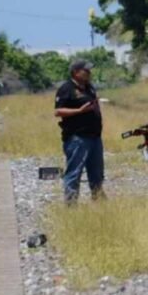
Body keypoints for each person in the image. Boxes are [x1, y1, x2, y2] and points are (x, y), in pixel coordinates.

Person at [54, 60, 105, 204]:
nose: (89, 73)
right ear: (76, 72)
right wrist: (79, 111)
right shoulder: (66, 88)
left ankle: (99, 202)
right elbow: (58, 111)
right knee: (74, 173)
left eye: (89, 70)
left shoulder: (89, 87)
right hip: (77, 138)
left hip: (95, 137)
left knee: (97, 173)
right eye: (86, 70)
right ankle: (71, 205)